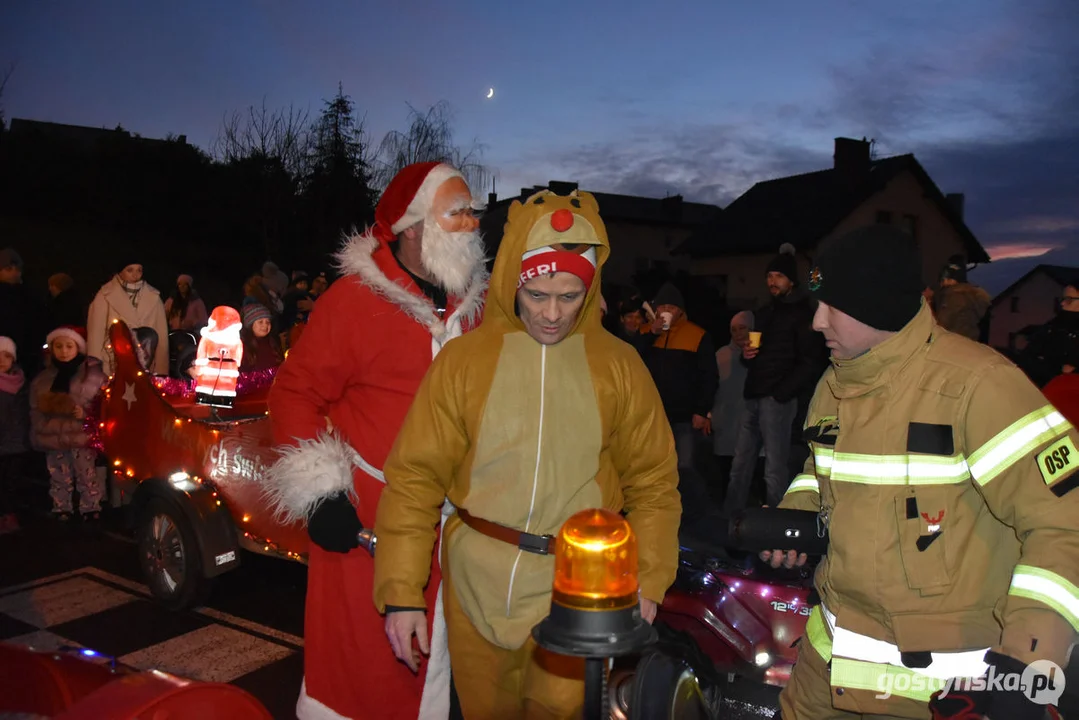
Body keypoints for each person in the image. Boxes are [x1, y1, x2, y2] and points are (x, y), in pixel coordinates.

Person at [373, 190, 681, 720]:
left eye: (570, 295)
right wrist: (401, 593)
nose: (554, 314)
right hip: (474, 588)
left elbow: (654, 483)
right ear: (513, 280)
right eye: (538, 294)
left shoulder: (620, 366)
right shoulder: (464, 361)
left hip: (578, 598)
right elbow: (415, 478)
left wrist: (648, 581)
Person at [767, 225, 1079, 720]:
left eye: (833, 306)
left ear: (879, 306)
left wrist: (1028, 665)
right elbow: (820, 470)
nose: (817, 321)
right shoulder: (835, 381)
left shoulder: (981, 387)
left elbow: (1065, 525)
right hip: (823, 678)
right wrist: (796, 510)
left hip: (940, 695)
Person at [262, 162, 487, 720]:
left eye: (471, 212)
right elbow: (294, 393)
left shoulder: (480, 312)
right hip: (368, 522)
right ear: (413, 227)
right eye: (456, 212)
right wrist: (322, 494)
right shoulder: (353, 300)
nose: (472, 223)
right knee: (364, 673)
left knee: (445, 668)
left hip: (454, 522)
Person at [725, 243, 825, 513]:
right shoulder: (766, 312)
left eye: (778, 276)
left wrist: (782, 393)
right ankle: (731, 522)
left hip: (777, 400)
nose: (772, 281)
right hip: (754, 394)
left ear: (791, 281)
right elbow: (758, 355)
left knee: (774, 467)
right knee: (740, 465)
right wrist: (748, 354)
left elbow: (810, 361)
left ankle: (778, 525)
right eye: (770, 276)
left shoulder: (803, 313)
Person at [632, 281, 717, 539]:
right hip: (651, 416)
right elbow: (629, 357)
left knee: (685, 467)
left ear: (680, 310)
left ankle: (684, 518)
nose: (665, 310)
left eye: (671, 306)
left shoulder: (697, 335)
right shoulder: (647, 332)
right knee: (649, 466)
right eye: (661, 306)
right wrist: (651, 334)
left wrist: (702, 410)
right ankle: (650, 513)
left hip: (683, 416)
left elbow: (709, 376)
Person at [29, 327, 107, 522]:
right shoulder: (43, 380)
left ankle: (90, 506)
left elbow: (102, 404)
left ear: (78, 348)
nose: (64, 351)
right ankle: (61, 506)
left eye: (69, 346)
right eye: (59, 346)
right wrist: (42, 425)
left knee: (86, 474)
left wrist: (86, 414)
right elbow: (34, 408)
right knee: (58, 475)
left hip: (81, 435)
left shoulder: (92, 376)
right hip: (54, 437)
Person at [86, 262, 169, 376]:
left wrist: (161, 370)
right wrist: (94, 365)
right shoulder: (104, 295)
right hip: (112, 357)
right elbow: (96, 331)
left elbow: (161, 334)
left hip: (146, 358)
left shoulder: (153, 296)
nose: (135, 275)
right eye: (130, 270)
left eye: (139, 270)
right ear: (120, 272)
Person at [711, 310, 754, 504]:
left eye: (742, 328)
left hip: (751, 424)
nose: (738, 333)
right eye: (733, 329)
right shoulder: (721, 355)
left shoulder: (761, 355)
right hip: (725, 423)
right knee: (725, 471)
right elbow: (711, 386)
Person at [1018, 279, 1079, 388]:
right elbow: (1027, 356)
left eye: (1069, 300)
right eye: (1063, 299)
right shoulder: (1054, 325)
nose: (1062, 303)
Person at [0, 336, 28, 534]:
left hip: (16, 443)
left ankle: (10, 516)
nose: (2, 360)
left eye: (6, 356)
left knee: (11, 483)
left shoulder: (22, 383)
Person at [933, 255, 990, 342]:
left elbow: (941, 325)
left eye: (943, 279)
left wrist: (928, 302)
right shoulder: (969, 295)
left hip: (954, 344)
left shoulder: (955, 296)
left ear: (950, 279)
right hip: (968, 343)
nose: (941, 283)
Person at [240, 301, 283, 372]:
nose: (265, 325)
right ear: (250, 324)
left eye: (268, 322)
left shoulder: (272, 343)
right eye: (260, 322)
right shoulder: (243, 348)